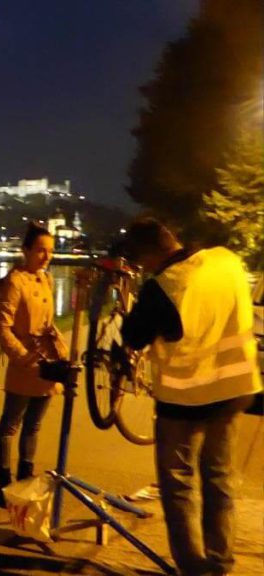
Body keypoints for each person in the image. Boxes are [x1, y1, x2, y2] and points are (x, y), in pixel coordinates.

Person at [121, 217, 262, 576]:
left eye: (141, 262)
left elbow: (134, 337)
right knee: (219, 477)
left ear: (149, 255)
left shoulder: (164, 287)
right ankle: (220, 562)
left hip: (185, 402)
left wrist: (136, 301)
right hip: (236, 391)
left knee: (178, 485)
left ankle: (193, 570)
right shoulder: (225, 260)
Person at [0, 222, 68, 504]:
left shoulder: (46, 280)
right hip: (26, 363)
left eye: (50, 251)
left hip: (47, 362)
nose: (46, 256)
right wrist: (23, 356)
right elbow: (1, 327)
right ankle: (3, 486)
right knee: (10, 425)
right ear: (25, 251)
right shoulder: (15, 281)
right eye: (40, 250)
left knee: (33, 426)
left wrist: (61, 352)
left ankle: (24, 481)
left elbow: (49, 323)